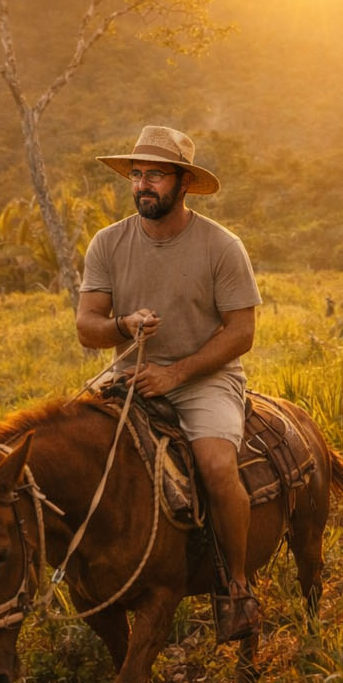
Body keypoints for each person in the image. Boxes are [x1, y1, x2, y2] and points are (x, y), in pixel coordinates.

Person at [76, 125, 263, 644]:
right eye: (136, 175)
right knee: (75, 458)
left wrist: (176, 373)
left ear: (183, 183)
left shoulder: (221, 246)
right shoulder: (108, 243)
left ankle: (237, 588)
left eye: (154, 175)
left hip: (203, 377)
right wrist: (122, 327)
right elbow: (87, 325)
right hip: (129, 375)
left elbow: (242, 332)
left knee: (216, 465)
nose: (142, 185)